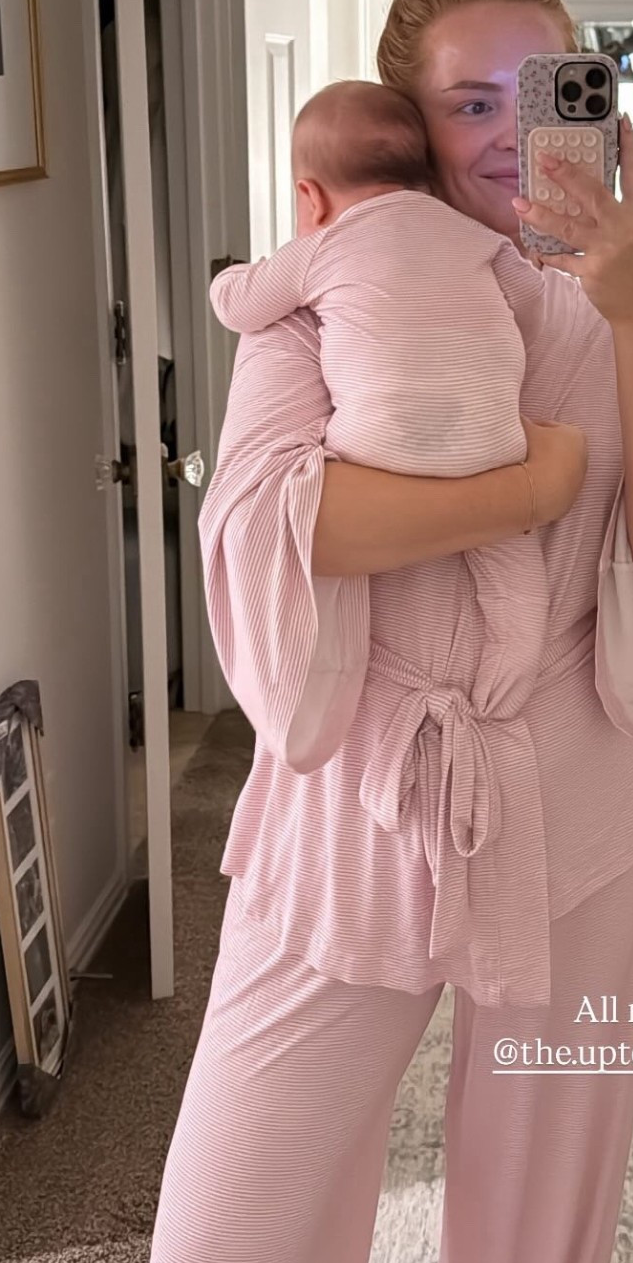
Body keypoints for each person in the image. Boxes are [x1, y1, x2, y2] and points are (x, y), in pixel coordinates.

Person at [130, 0, 633, 1263]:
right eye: (468, 100)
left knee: (530, 1255)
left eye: (546, 93)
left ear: (590, 106)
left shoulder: (625, 298)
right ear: (410, 124)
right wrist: (529, 497)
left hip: (584, 799)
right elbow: (275, 522)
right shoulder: (337, 271)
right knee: (222, 1252)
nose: (505, 131)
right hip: (361, 791)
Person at [210, 74, 552, 763]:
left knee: (328, 534)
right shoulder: (471, 236)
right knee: (508, 555)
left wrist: (226, 276)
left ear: (310, 198)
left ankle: (320, 674)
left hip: (378, 447)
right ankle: (514, 659)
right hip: (492, 440)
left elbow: (241, 306)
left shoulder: (323, 246)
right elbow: (529, 297)